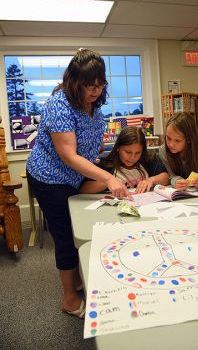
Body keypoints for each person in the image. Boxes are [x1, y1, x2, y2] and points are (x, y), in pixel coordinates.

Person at [26, 48, 130, 319]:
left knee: (81, 227)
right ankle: (70, 299)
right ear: (74, 82)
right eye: (88, 86)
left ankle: (76, 278)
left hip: (73, 175)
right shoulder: (59, 103)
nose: (95, 91)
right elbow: (68, 154)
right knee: (64, 236)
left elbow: (89, 149)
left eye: (99, 85)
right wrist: (107, 177)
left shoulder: (96, 107)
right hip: (49, 177)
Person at [80, 126, 169, 194]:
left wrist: (151, 180)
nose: (132, 157)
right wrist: (107, 182)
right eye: (128, 152)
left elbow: (166, 177)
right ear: (118, 147)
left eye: (137, 152)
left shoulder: (147, 160)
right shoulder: (106, 164)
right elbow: (83, 189)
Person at [159, 112, 198, 190]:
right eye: (168, 138)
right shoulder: (163, 150)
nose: (171, 144)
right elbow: (170, 175)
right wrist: (175, 181)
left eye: (177, 140)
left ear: (189, 140)